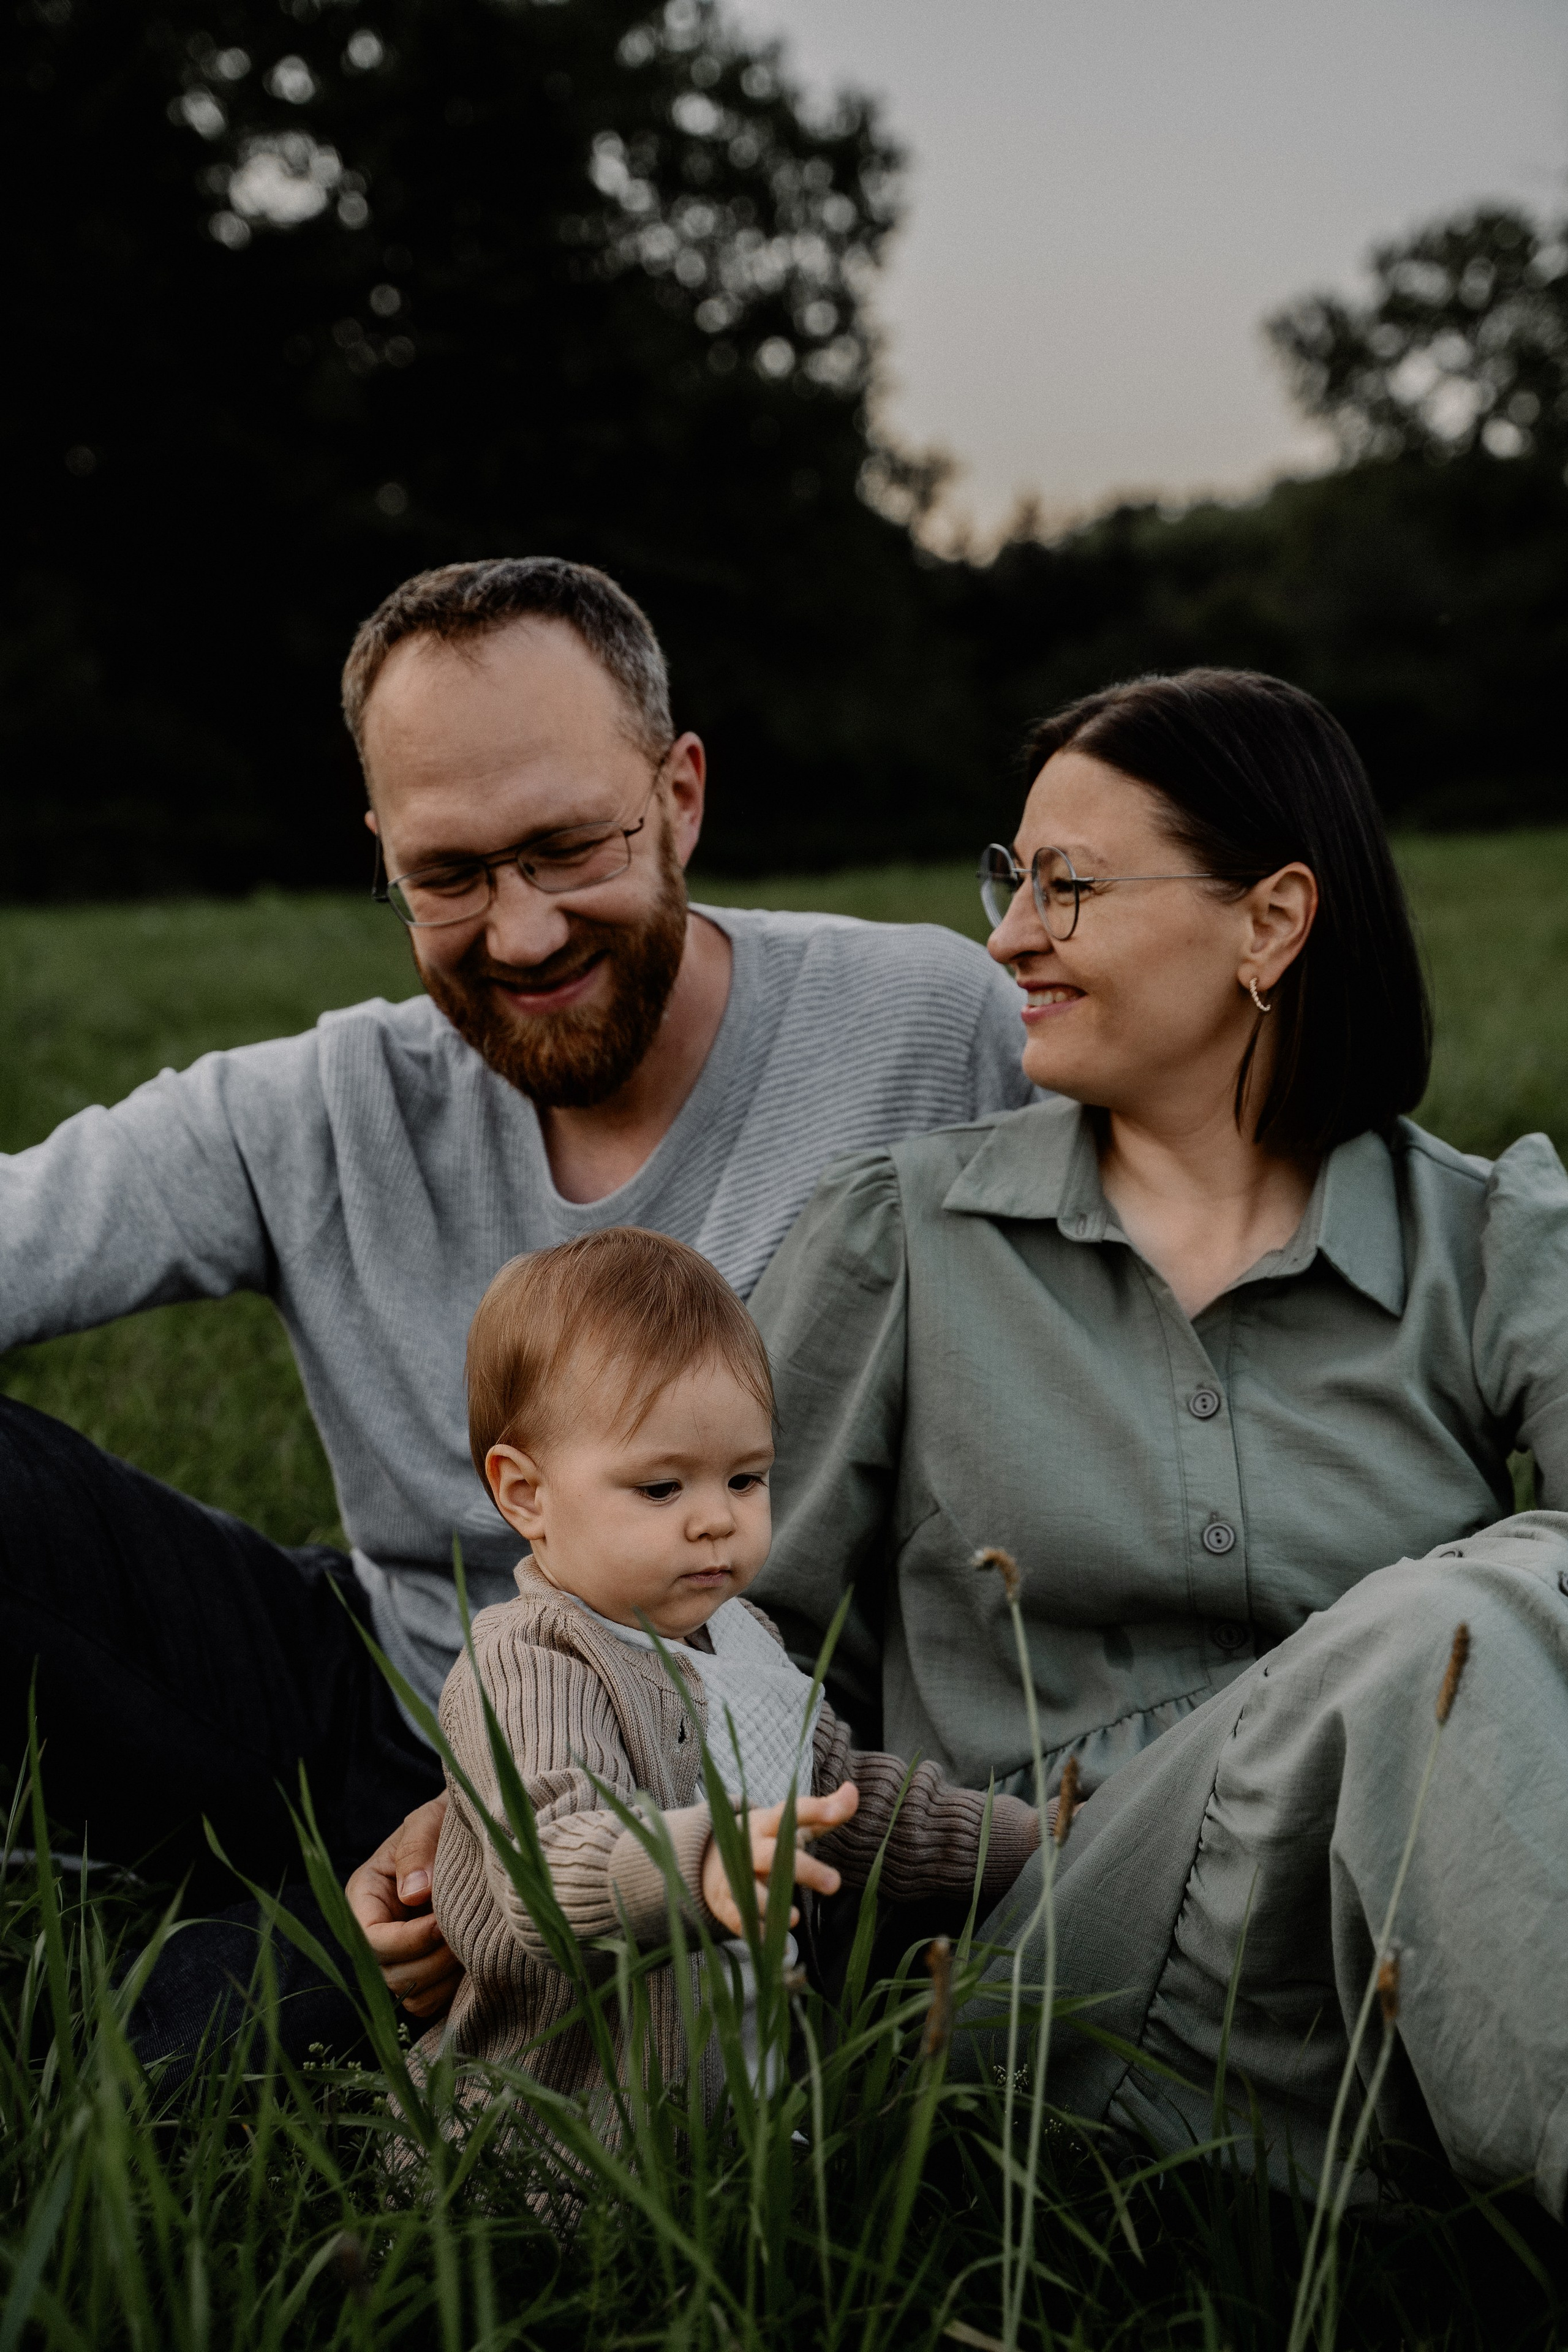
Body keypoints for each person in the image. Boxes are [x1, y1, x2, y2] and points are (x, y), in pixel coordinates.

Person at [0, 555, 1030, 2063]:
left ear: (678, 794)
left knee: (202, 2050)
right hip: (379, 1691)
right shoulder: (326, 1104)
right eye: (450, 876)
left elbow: (1233, 1161)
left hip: (715, 1786)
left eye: (567, 849)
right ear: (384, 855)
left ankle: (213, 1979)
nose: (523, 931)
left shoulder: (925, 1027)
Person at [747, 667, 1568, 2209]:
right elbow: (710, 1628)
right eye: (1010, 881)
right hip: (1045, 1975)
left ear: (1268, 922)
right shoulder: (905, 1235)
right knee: (1446, 1623)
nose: (1005, 939)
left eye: (1065, 889)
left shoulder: (1488, 1238)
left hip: (1392, 1954)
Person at [427, 1227, 1038, 2113]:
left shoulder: (742, 1635)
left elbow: (844, 1799)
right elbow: (549, 1863)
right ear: (526, 1494)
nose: (716, 1520)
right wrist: (702, 1861)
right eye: (662, 1489)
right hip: (562, 2145)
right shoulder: (531, 1662)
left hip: (737, 2113)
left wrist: (1024, 1840)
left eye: (745, 1480)